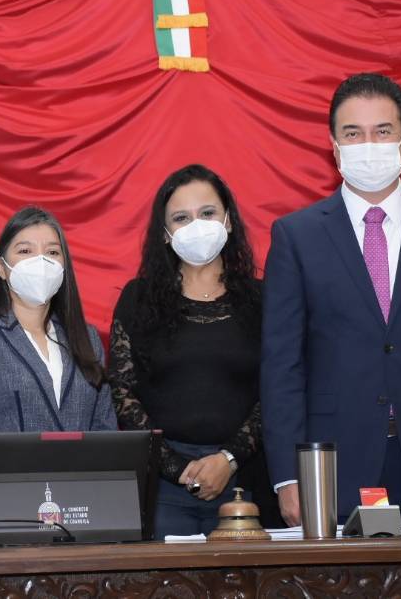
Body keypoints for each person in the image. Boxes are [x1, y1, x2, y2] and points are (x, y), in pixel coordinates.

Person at [261, 73, 401, 524]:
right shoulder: (296, 236)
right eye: (353, 134)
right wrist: (288, 477)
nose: (368, 145)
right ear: (334, 146)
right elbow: (281, 366)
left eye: (382, 131)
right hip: (333, 460)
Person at [108, 164, 281, 537]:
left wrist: (228, 459)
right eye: (181, 218)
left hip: (246, 479)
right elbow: (122, 392)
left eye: (207, 213)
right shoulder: (138, 299)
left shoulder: (263, 300)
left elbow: (277, 389)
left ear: (228, 221)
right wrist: (176, 467)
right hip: (162, 485)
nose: (196, 226)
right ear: (165, 232)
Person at [0, 206, 116, 474]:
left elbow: (105, 432)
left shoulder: (88, 338)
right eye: (25, 251)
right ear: (2, 268)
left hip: (83, 495)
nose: (41, 261)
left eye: (52, 252)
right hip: (9, 495)